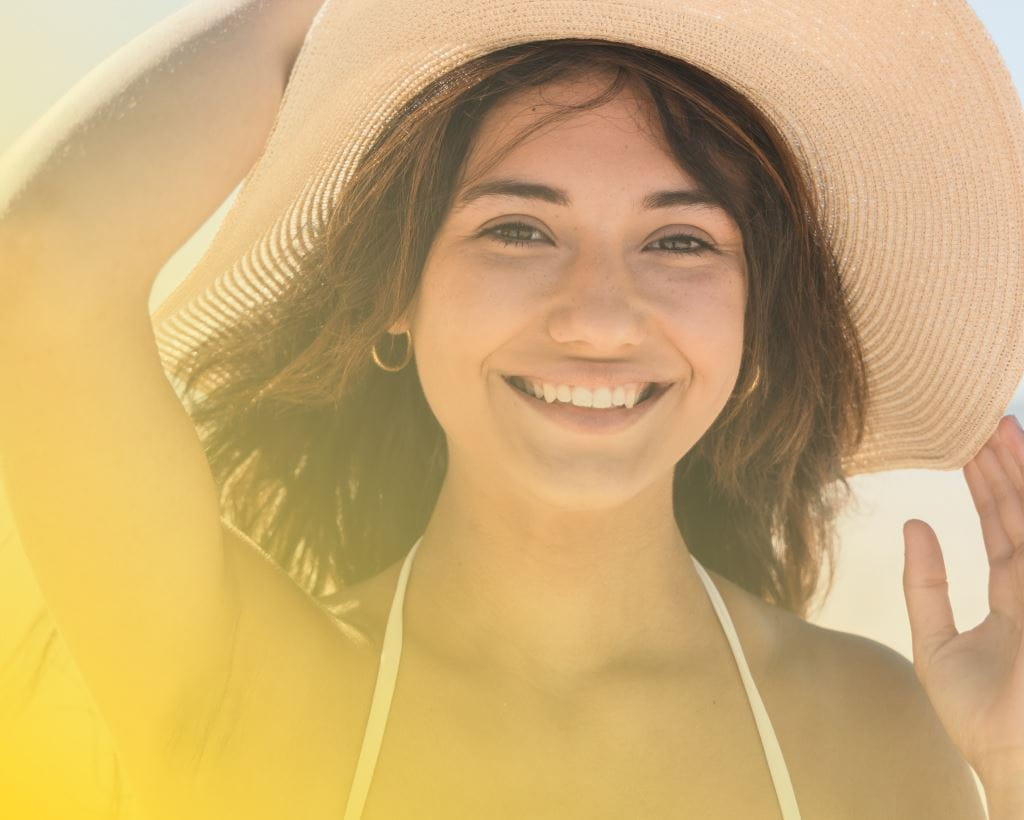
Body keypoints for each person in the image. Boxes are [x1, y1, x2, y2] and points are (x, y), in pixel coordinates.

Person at [1, 0, 1022, 818]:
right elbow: (41, 263)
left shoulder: (877, 728)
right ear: (395, 292)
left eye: (679, 243)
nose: (597, 316)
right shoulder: (247, 685)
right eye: (519, 229)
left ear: (756, 329)